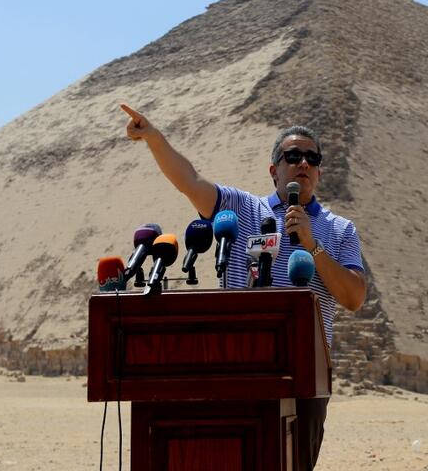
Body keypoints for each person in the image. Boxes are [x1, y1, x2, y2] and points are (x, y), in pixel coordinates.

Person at [120, 103, 366, 470]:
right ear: (274, 170)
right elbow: (189, 181)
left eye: (312, 158)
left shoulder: (341, 229)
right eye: (293, 155)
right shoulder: (240, 209)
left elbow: (354, 298)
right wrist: (154, 138)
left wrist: (313, 245)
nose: (303, 163)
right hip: (237, 365)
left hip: (305, 377)